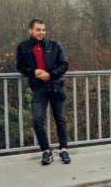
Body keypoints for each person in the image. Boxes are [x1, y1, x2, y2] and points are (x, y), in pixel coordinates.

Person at [16, 19, 71, 165]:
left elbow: (64, 65)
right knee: (37, 120)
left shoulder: (54, 45)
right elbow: (20, 66)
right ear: (31, 30)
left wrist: (50, 75)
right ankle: (46, 152)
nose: (41, 32)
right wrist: (33, 72)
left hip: (56, 86)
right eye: (38, 30)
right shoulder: (23, 47)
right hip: (39, 87)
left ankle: (64, 150)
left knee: (60, 119)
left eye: (43, 30)